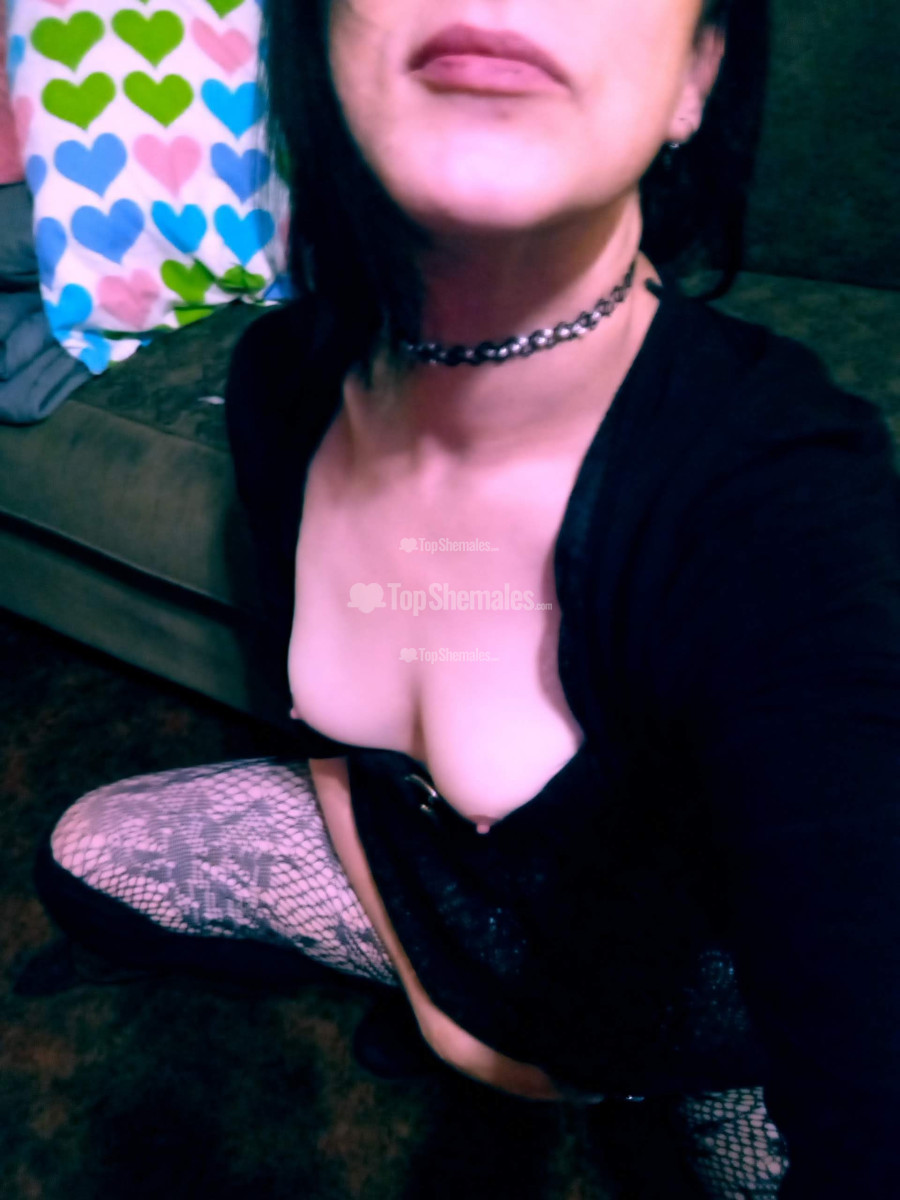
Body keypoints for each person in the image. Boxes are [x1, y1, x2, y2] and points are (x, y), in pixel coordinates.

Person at [18, 1, 900, 1195]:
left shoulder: (780, 496)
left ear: (699, 73)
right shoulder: (283, 381)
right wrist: (444, 1013)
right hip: (430, 903)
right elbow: (325, 742)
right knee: (91, 856)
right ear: (320, 44)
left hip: (692, 991)